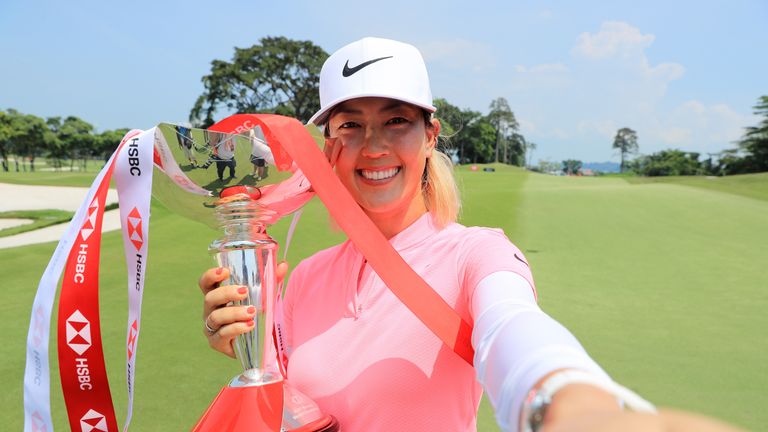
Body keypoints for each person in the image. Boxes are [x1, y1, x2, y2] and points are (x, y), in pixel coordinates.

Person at [198, 38, 741, 431]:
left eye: (395, 121)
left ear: (430, 135)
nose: (373, 146)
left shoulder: (476, 253)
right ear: (329, 145)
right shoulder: (307, 276)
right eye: (351, 125)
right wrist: (247, 346)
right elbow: (294, 407)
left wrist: (570, 401)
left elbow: (513, 325)